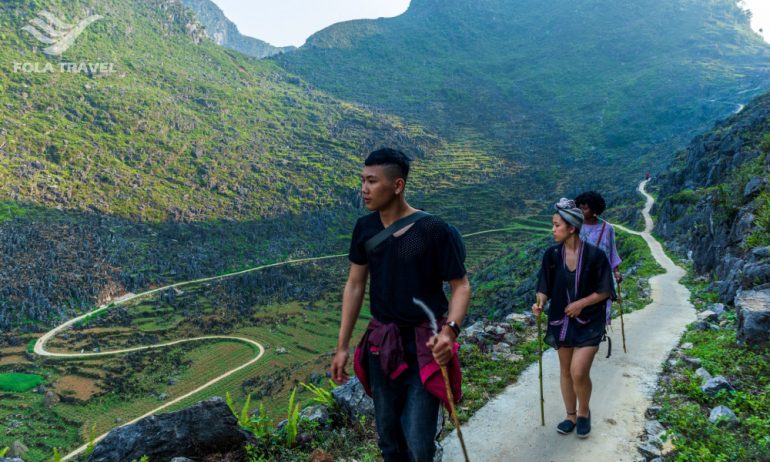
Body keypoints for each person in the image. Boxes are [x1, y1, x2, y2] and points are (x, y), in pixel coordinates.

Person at [331, 148, 471, 462]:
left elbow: (460, 285)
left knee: (420, 443)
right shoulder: (365, 229)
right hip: (382, 345)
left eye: (372, 181)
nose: (363, 189)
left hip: (426, 346)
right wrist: (341, 346)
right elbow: (355, 285)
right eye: (362, 181)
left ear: (397, 186)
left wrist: (450, 332)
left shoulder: (434, 230)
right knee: (389, 439)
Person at [532, 198, 612, 438]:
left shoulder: (596, 257)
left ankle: (584, 412)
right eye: (553, 225)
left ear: (572, 228)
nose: (553, 230)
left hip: (589, 322)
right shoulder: (551, 255)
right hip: (561, 321)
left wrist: (581, 303)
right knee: (566, 370)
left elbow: (605, 291)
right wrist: (540, 302)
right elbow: (543, 285)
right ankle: (570, 415)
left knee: (578, 371)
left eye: (557, 225)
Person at [575, 191, 622, 325]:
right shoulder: (575, 227)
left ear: (595, 208)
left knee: (601, 307)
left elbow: (612, 252)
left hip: (602, 275)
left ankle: (597, 332)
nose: (582, 211)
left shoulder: (608, 229)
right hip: (580, 275)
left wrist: (616, 272)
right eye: (580, 208)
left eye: (585, 208)